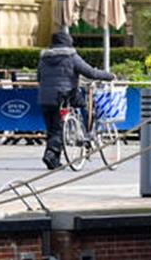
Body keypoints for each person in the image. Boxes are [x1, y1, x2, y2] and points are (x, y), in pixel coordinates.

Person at [36, 29, 114, 170]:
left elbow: (39, 77)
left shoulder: (44, 58)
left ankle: (54, 160)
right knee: (80, 108)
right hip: (65, 95)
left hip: (44, 97)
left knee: (52, 128)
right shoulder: (71, 56)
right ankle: (82, 135)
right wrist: (109, 76)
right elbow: (90, 72)